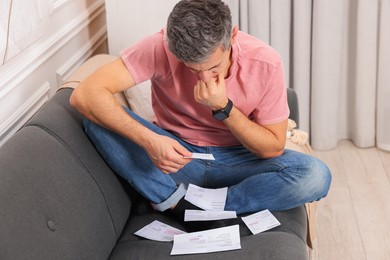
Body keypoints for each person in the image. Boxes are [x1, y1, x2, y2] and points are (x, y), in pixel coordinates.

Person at [70, 0, 331, 226]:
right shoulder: (159, 47)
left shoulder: (266, 62)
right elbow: (84, 95)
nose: (204, 78)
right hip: (175, 156)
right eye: (193, 69)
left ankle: (198, 207)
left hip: (238, 160)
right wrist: (150, 141)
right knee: (96, 123)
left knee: (316, 176)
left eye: (214, 66)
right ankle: (174, 203)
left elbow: (272, 148)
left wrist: (223, 107)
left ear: (233, 38)